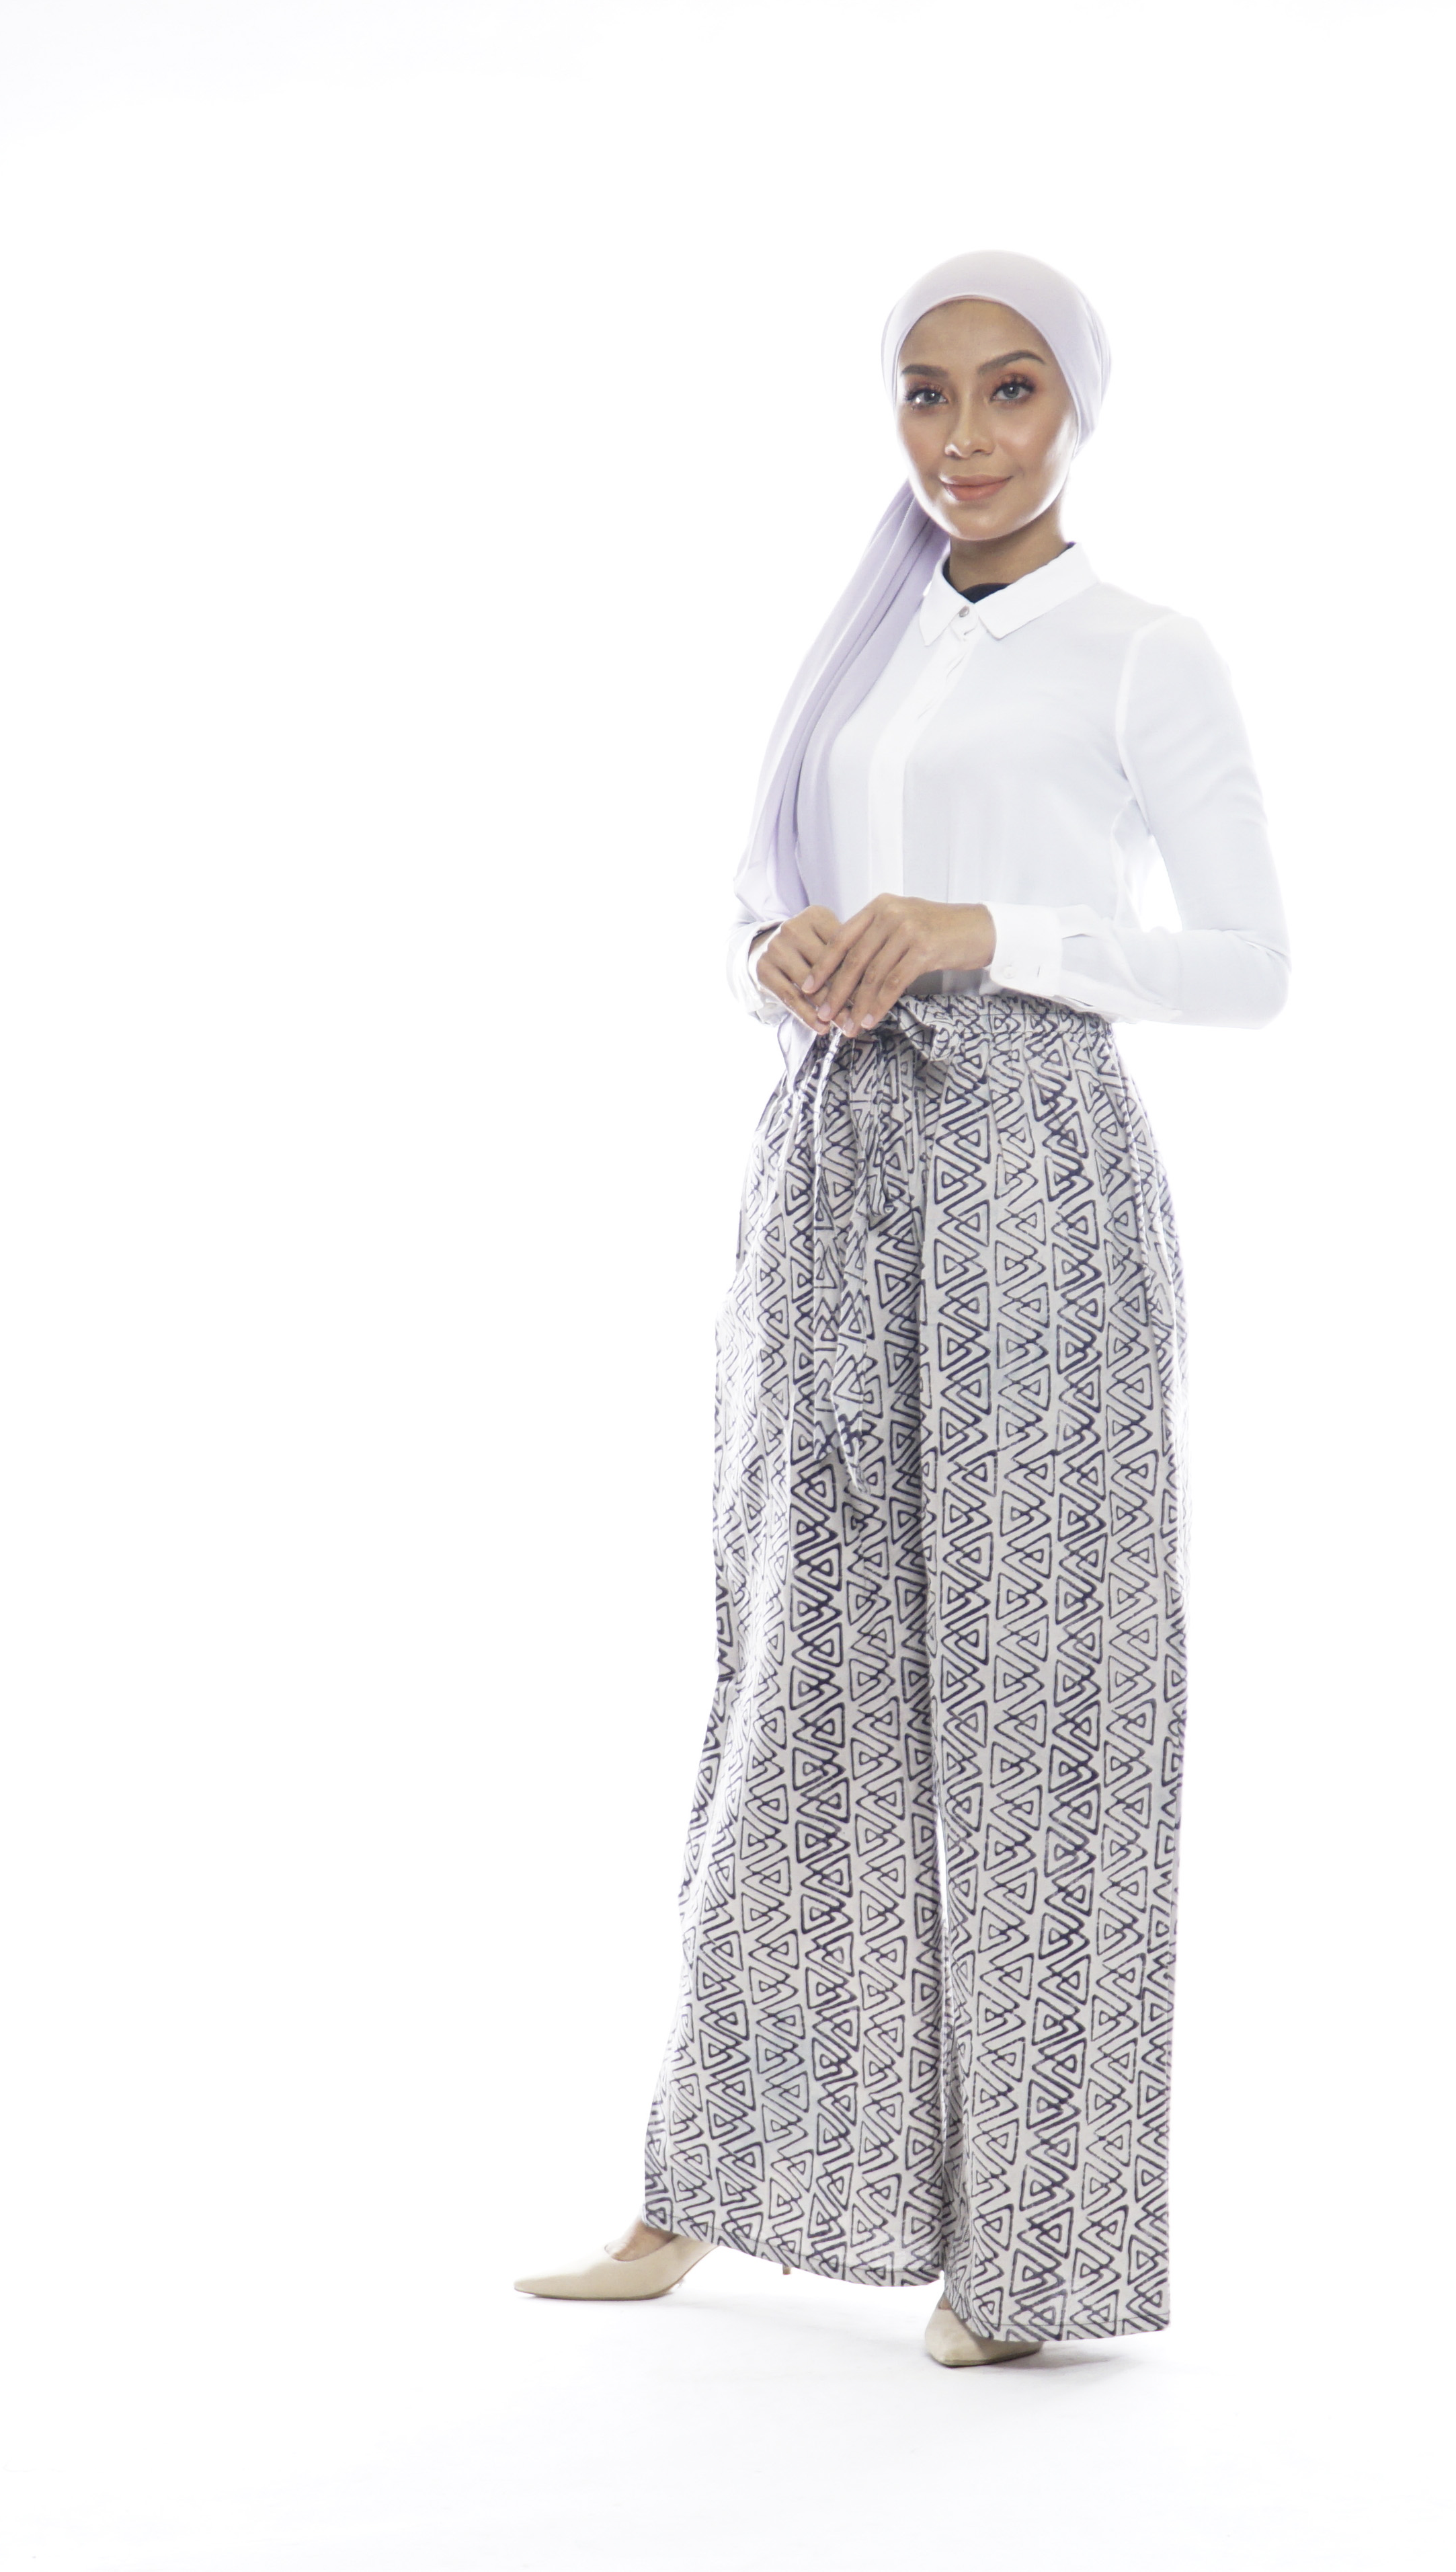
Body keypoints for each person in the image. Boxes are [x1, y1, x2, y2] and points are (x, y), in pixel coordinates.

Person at [512, 250, 1290, 2368]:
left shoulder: (1140, 651)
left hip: (1033, 1173)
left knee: (1045, 1709)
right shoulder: (860, 645)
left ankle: (1024, 2258)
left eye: (1009, 391)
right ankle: (708, 2178)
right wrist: (772, 953)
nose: (964, 437)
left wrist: (982, 929)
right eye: (926, 395)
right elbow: (765, 898)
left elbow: (1249, 963)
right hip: (835, 1175)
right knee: (796, 1670)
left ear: (1076, 407)